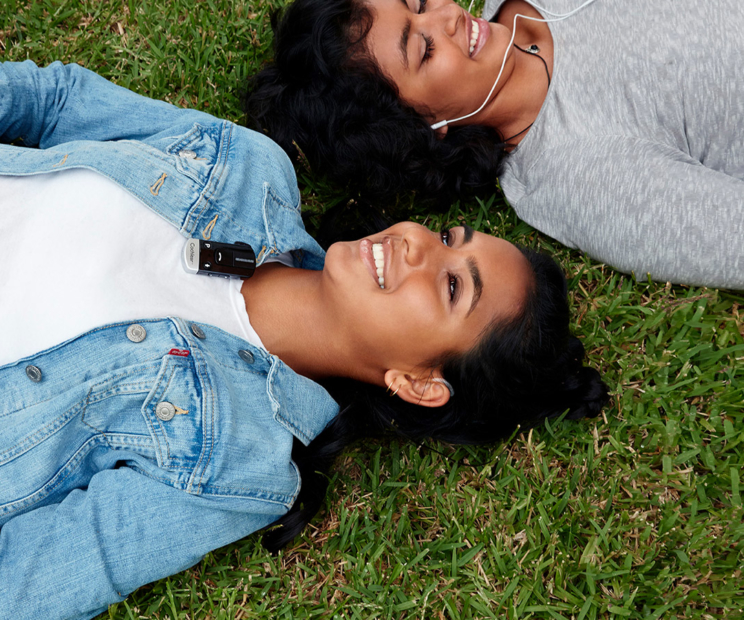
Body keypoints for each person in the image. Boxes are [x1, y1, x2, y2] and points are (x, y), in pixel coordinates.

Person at [0, 60, 607, 620]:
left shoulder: (236, 458)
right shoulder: (244, 169)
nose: (419, 245)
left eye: (452, 287)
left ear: (419, 384)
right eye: (449, 237)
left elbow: (28, 580)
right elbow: (59, 101)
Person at [245, 0, 744, 290]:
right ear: (422, 126)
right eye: (424, 48)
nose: (447, 16)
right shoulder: (582, 174)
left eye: (417, 3)